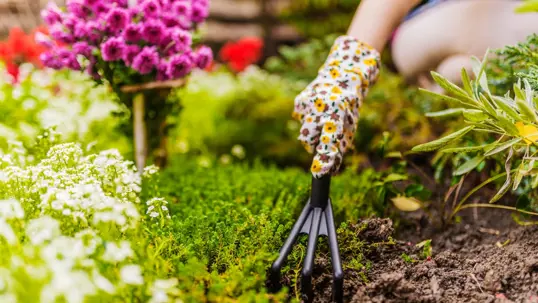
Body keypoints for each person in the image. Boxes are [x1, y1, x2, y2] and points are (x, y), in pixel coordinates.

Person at [293, 0, 538, 178]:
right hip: (454, 21)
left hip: (419, 38)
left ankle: (455, 80)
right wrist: (346, 70)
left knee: (459, 71)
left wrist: (347, 66)